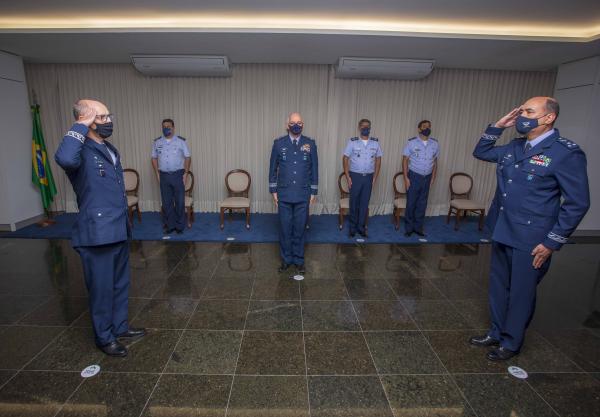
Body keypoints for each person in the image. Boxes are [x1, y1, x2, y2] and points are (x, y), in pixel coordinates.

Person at [470, 96, 590, 361]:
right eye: (521, 110)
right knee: (498, 286)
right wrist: (498, 126)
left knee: (521, 292)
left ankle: (511, 342)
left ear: (549, 118)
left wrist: (551, 242)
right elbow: (481, 152)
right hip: (503, 229)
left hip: (532, 237)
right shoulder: (514, 147)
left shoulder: (565, 152)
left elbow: (578, 203)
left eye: (529, 111)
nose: (522, 114)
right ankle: (496, 331)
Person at [55, 99, 146, 357]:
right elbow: (63, 158)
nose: (109, 121)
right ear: (88, 119)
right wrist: (80, 124)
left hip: (117, 227)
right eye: (103, 117)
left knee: (119, 283)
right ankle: (104, 337)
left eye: (108, 115)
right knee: (101, 288)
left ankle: (119, 327)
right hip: (96, 231)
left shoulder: (106, 146)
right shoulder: (79, 149)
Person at [269, 112, 318, 274]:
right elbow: (272, 170)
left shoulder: (310, 143)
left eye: (300, 122)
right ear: (287, 125)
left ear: (303, 124)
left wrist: (313, 192)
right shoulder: (278, 144)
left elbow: (314, 169)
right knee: (284, 228)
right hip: (283, 194)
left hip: (303, 194)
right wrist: (273, 191)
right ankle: (286, 260)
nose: (297, 125)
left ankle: (298, 260)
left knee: (300, 229)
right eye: (293, 122)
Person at [342, 118, 382, 238]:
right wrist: (348, 176)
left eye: (368, 126)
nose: (366, 128)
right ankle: (352, 228)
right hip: (355, 176)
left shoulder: (375, 143)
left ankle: (361, 228)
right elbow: (345, 158)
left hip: (368, 177)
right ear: (359, 128)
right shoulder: (353, 142)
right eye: (363, 126)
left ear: (370, 128)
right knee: (354, 203)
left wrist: (375, 177)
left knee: (364, 203)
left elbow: (379, 159)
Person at [151, 118, 191, 234]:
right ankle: (170, 225)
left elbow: (188, 157)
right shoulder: (157, 142)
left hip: (178, 175)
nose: (166, 128)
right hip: (164, 176)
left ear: (173, 128)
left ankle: (179, 226)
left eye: (168, 126)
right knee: (166, 202)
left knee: (179, 202)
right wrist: (157, 173)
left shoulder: (180, 141)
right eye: (164, 126)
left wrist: (186, 173)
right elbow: (153, 158)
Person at [402, 120, 439, 237]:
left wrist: (433, 177)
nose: (427, 128)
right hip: (414, 176)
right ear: (419, 129)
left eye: (429, 126)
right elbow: (404, 161)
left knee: (422, 204)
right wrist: (406, 178)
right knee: (411, 203)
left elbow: (435, 162)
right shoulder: (411, 143)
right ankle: (409, 228)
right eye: (424, 127)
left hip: (426, 178)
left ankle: (418, 228)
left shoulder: (435, 144)